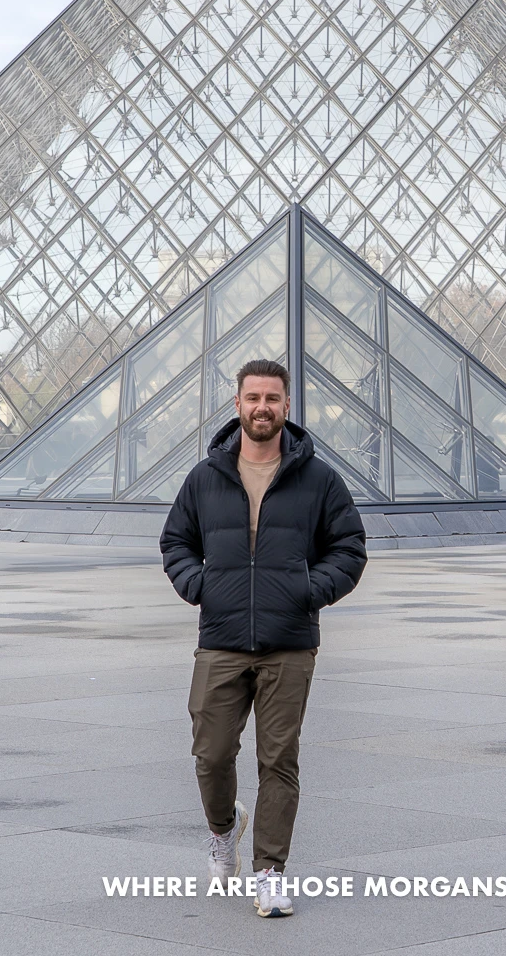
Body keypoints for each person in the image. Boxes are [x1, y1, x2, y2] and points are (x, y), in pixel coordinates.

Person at [161, 359, 367, 920]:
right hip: (221, 638)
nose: (262, 408)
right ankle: (223, 830)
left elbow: (350, 548)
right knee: (210, 754)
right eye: (253, 398)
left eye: (272, 399)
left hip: (289, 641)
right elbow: (175, 542)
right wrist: (201, 587)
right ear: (237, 405)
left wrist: (308, 590)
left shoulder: (319, 479)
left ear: (287, 406)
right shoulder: (205, 478)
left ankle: (270, 872)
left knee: (278, 760)